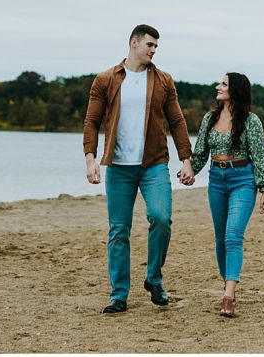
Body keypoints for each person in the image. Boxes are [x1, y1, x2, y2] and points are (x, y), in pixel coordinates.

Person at [83, 24, 195, 314]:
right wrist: (90, 158)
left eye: (156, 46)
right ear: (133, 43)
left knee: (161, 217)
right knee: (119, 230)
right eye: (149, 44)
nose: (153, 50)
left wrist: (186, 159)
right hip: (118, 168)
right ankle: (119, 294)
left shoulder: (164, 81)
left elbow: (177, 121)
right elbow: (92, 121)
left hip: (153, 164)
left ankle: (154, 279)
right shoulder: (105, 79)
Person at [178, 72, 264, 318]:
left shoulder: (251, 121)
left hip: (243, 179)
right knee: (220, 238)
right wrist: (189, 171)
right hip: (217, 180)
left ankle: (229, 296)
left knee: (233, 236)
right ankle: (228, 280)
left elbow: (259, 156)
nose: (217, 87)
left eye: (223, 84)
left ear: (236, 91)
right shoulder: (210, 118)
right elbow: (200, 154)